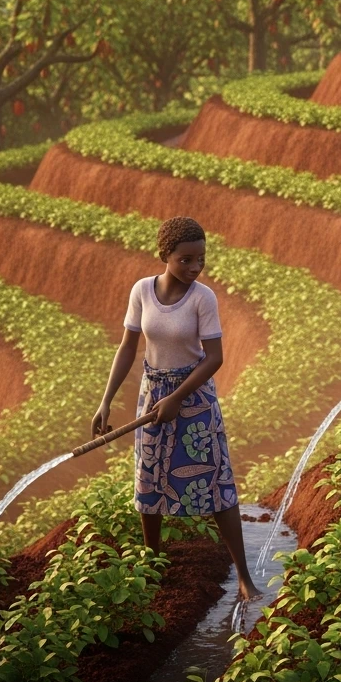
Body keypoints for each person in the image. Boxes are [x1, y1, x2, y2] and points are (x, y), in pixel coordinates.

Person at [91, 216, 260, 600]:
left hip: (195, 398)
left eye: (201, 259)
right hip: (153, 393)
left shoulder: (203, 298)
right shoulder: (142, 291)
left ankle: (245, 578)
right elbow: (128, 347)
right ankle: (152, 568)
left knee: (217, 483)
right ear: (165, 255)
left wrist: (178, 398)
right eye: (186, 259)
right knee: (149, 479)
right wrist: (106, 401)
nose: (195, 267)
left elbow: (214, 358)